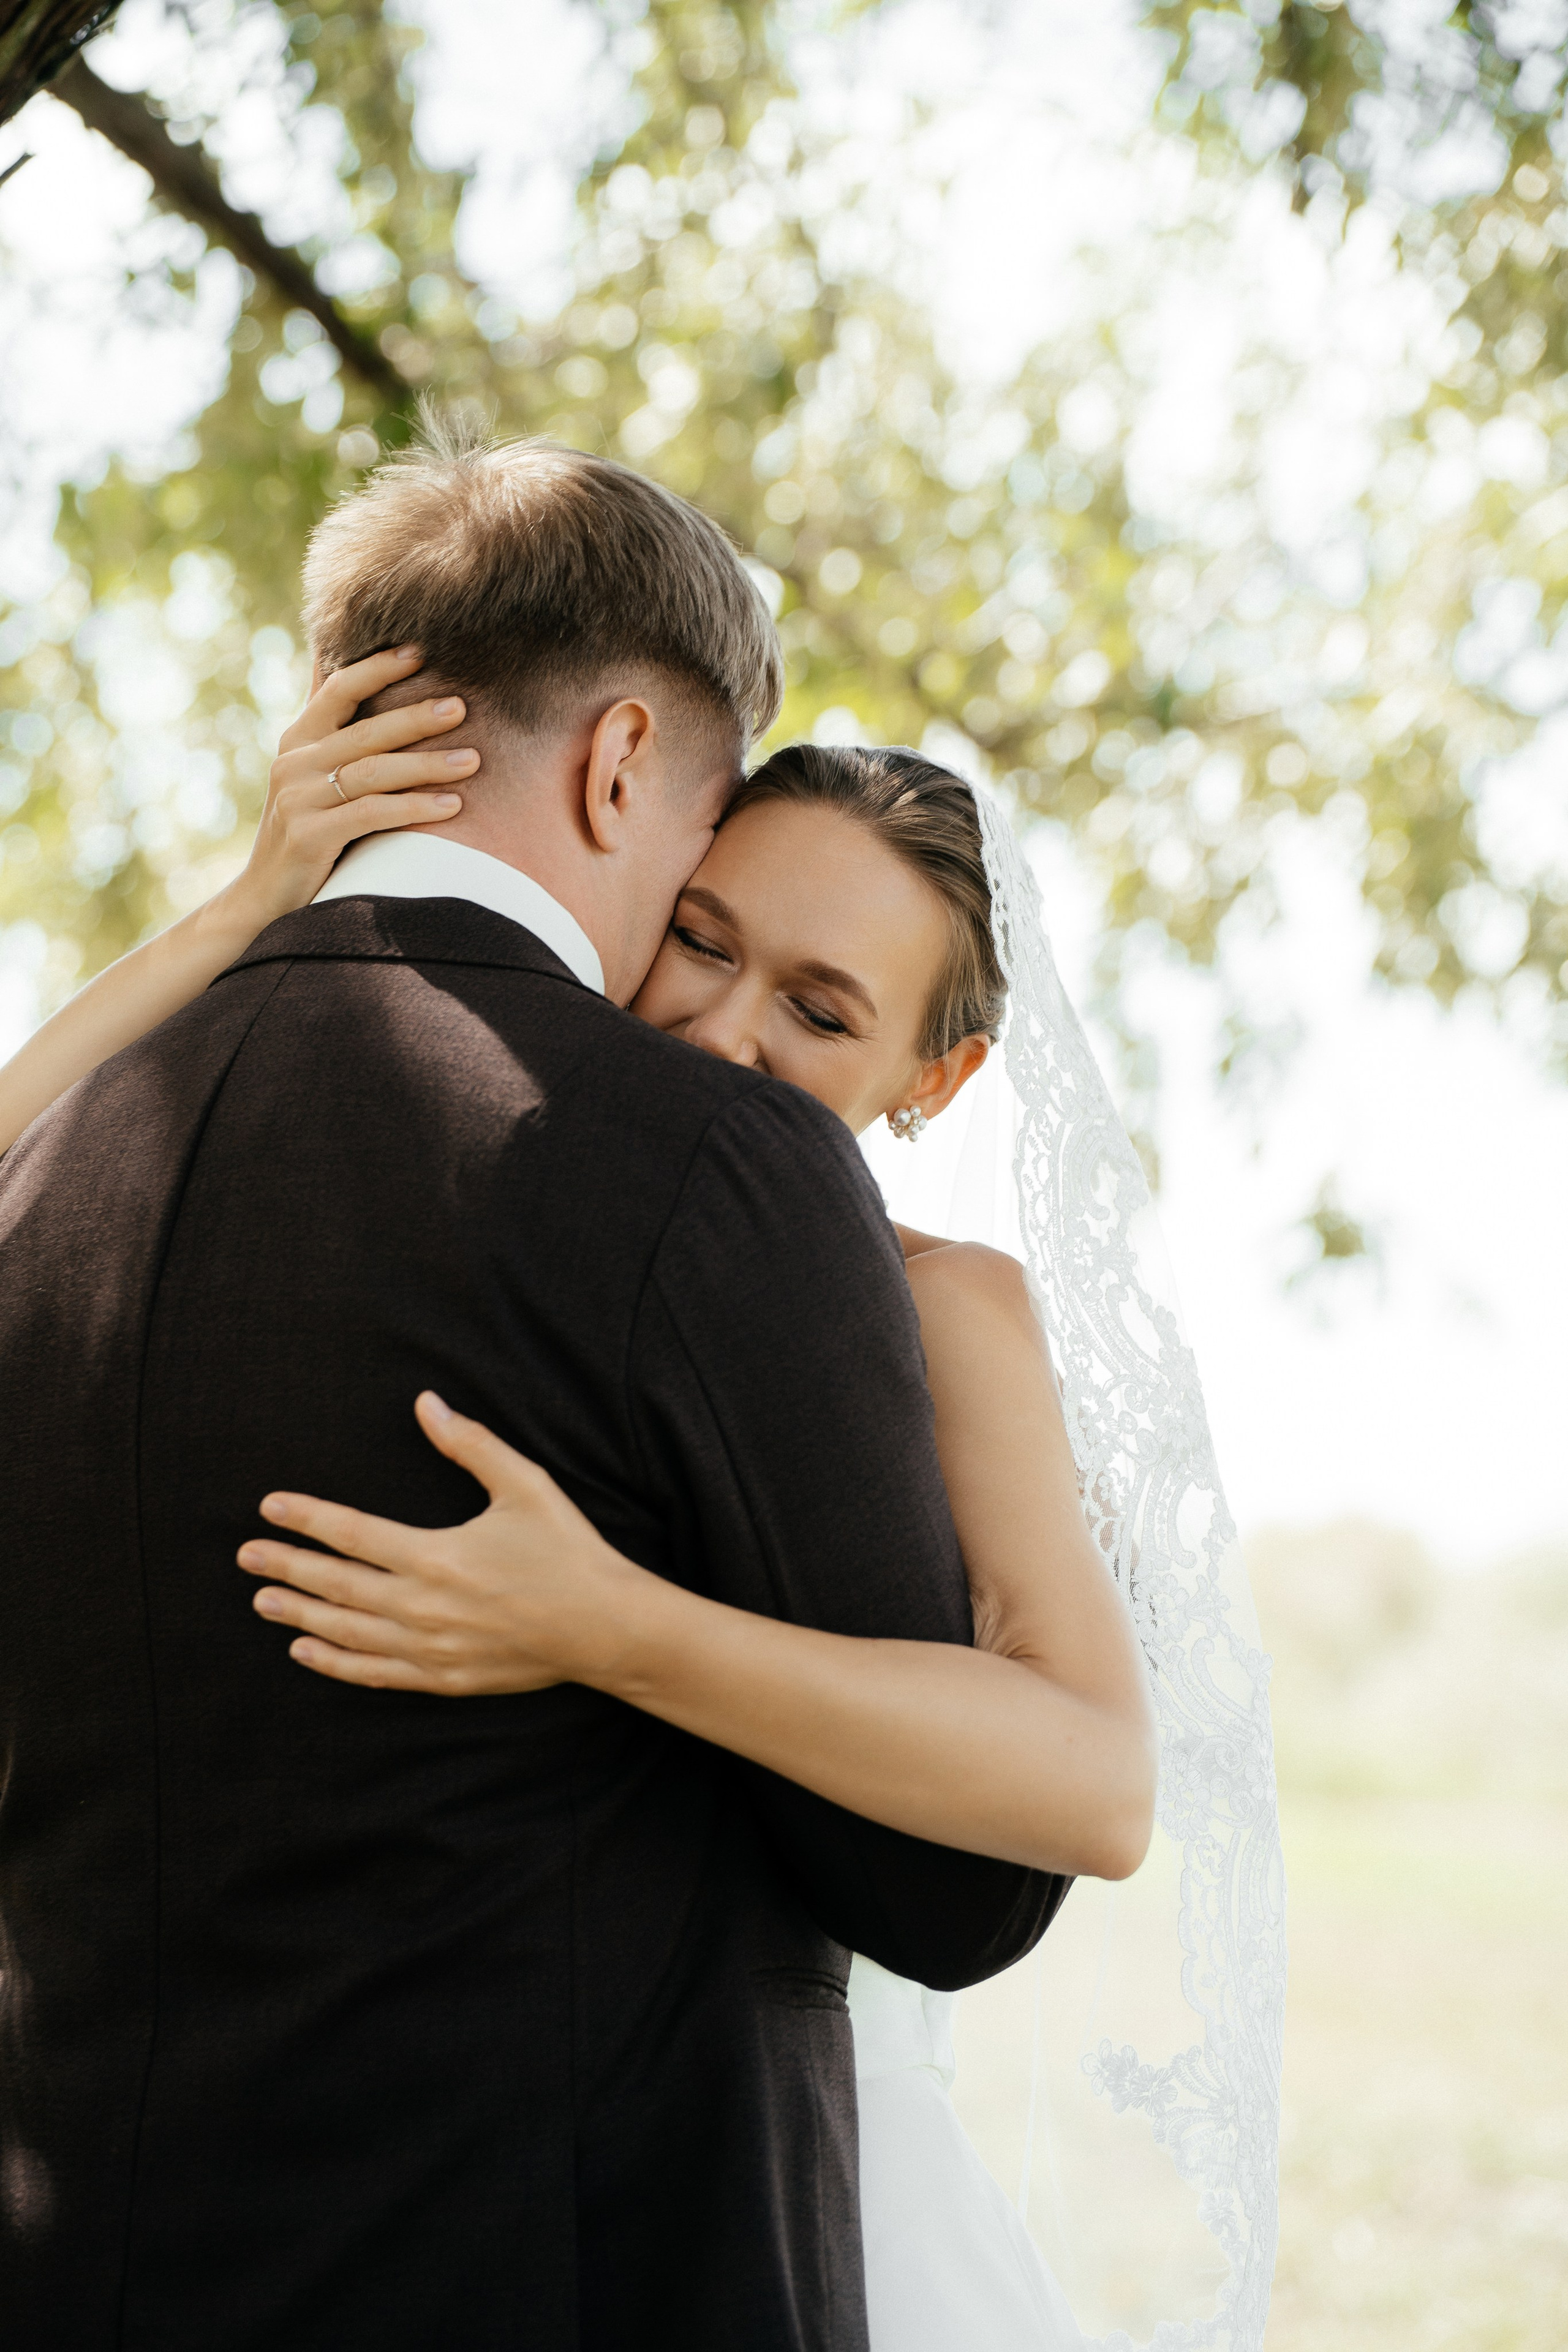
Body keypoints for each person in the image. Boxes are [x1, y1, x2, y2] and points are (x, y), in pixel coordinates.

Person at [0, 431, 1085, 2352]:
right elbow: (957, 1893)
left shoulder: (55, 1160)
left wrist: (254, 896)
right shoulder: (704, 1174)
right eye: (704, 879)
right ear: (618, 767)